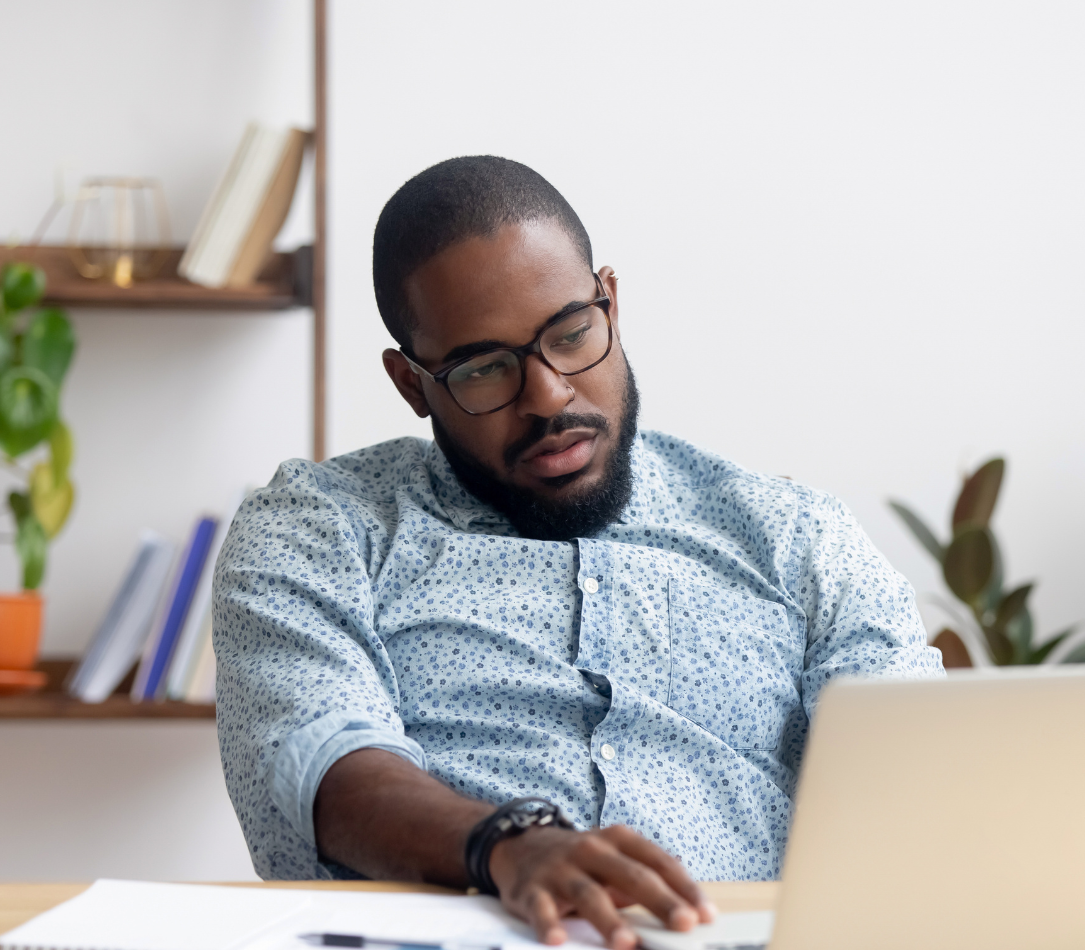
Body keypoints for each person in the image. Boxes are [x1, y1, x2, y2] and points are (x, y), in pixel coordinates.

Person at [213, 156, 943, 948]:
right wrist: (510, 846)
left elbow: (913, 766)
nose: (549, 395)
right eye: (484, 368)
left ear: (612, 304)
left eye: (571, 335)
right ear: (412, 383)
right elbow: (320, 757)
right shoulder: (321, 529)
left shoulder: (796, 536)